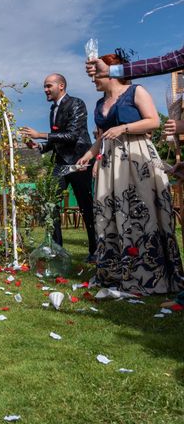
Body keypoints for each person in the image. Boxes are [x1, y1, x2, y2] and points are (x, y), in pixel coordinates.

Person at [77, 53, 184, 295]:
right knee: (111, 212)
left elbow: (153, 121)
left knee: (139, 211)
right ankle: (116, 272)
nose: (93, 78)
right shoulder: (99, 104)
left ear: (112, 71)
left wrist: (124, 127)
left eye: (97, 73)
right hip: (110, 161)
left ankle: (149, 274)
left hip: (136, 159)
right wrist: (90, 154)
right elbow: (103, 136)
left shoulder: (136, 91)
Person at [21, 74, 97, 262]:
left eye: (49, 86)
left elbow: (71, 135)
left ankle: (96, 251)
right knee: (50, 204)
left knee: (86, 206)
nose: (45, 90)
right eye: (44, 87)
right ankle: (56, 248)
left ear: (61, 86)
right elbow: (58, 138)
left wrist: (40, 134)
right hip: (60, 163)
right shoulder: (53, 109)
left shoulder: (77, 104)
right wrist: (39, 146)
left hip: (80, 161)